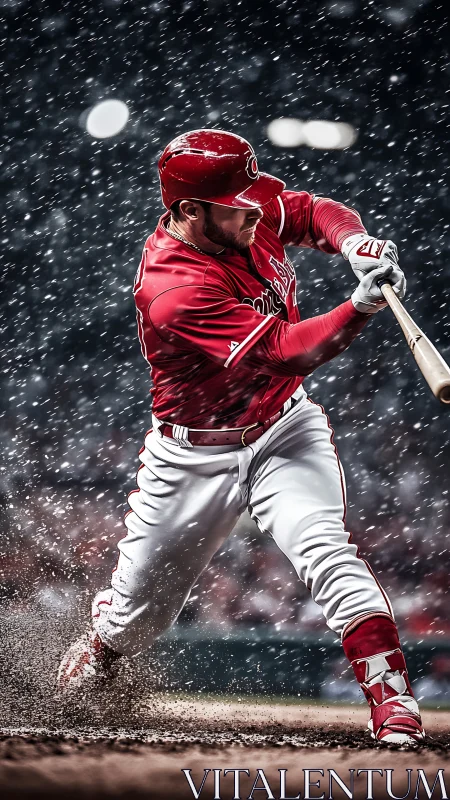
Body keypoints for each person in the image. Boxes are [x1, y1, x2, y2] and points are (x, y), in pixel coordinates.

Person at [57, 129, 423, 744]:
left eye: (249, 192)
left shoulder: (240, 206)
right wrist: (358, 307)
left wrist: (354, 242)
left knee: (326, 551)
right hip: (192, 453)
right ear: (188, 212)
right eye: (234, 201)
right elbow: (285, 352)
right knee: (138, 618)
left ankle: (393, 703)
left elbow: (311, 211)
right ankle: (106, 643)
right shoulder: (174, 288)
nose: (252, 207)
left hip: (284, 429)